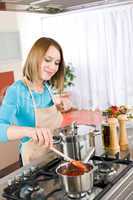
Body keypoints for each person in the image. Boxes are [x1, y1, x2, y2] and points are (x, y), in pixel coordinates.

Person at [0, 37, 72, 166]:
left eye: (56, 63)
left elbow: (42, 107)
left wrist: (59, 104)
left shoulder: (47, 88)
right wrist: (29, 131)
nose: (53, 67)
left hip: (55, 157)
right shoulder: (17, 90)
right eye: (48, 60)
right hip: (33, 163)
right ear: (35, 57)